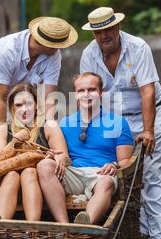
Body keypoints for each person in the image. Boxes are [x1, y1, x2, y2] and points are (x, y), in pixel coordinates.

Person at [80, 6, 161, 239]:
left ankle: (160, 237)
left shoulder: (138, 48)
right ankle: (139, 232)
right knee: (125, 180)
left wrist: (149, 131)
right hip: (116, 123)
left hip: (147, 118)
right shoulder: (89, 55)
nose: (103, 36)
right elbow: (89, 94)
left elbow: (147, 92)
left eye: (108, 29)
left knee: (153, 176)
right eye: (98, 32)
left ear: (117, 26)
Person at [0, 16, 78, 164]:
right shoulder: (8, 50)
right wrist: (2, 136)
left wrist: (47, 132)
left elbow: (48, 98)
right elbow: (0, 97)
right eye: (58, 45)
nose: (60, 48)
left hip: (26, 106)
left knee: (25, 161)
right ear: (45, 43)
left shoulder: (54, 55)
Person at [37, 72, 133, 225]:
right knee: (44, 166)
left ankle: (83, 226)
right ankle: (65, 226)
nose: (86, 94)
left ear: (101, 93)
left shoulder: (118, 122)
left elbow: (126, 160)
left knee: (106, 182)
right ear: (75, 95)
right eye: (81, 91)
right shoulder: (65, 123)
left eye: (92, 90)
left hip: (100, 173)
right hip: (73, 173)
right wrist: (55, 156)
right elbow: (63, 155)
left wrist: (115, 165)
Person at [0, 83, 70, 221]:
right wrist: (14, 142)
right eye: (18, 105)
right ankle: (0, 225)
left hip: (42, 187)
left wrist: (57, 158)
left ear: (37, 105)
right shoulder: (3, 131)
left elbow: (65, 158)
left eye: (28, 104)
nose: (24, 109)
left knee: (29, 172)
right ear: (12, 108)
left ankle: (32, 228)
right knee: (12, 175)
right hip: (9, 188)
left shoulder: (48, 126)